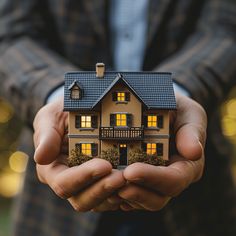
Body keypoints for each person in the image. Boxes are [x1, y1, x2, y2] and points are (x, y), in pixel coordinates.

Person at [0, 0, 235, 235]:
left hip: (194, 196)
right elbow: (10, 35)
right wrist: (62, 99)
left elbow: (224, 30)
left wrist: (171, 99)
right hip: (53, 209)